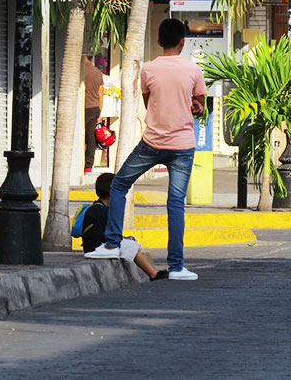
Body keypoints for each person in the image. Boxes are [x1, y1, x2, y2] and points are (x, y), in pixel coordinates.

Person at [85, 18, 205, 282]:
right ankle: (176, 267)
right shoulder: (193, 69)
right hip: (183, 146)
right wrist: (193, 106)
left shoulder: (149, 70)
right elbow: (200, 105)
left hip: (152, 144)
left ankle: (112, 243)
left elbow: (150, 102)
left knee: (119, 185)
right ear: (182, 42)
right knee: (175, 204)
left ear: (159, 41)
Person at [82, 173, 168, 281]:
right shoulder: (100, 210)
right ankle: (153, 274)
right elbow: (97, 235)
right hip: (95, 248)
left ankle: (152, 273)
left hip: (98, 245)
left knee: (132, 243)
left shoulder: (99, 208)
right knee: (132, 245)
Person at [84, 53, 105, 174]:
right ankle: (88, 165)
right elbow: (100, 94)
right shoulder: (98, 72)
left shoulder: (81, 71)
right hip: (94, 108)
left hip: (83, 107)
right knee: (91, 137)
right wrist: (100, 112)